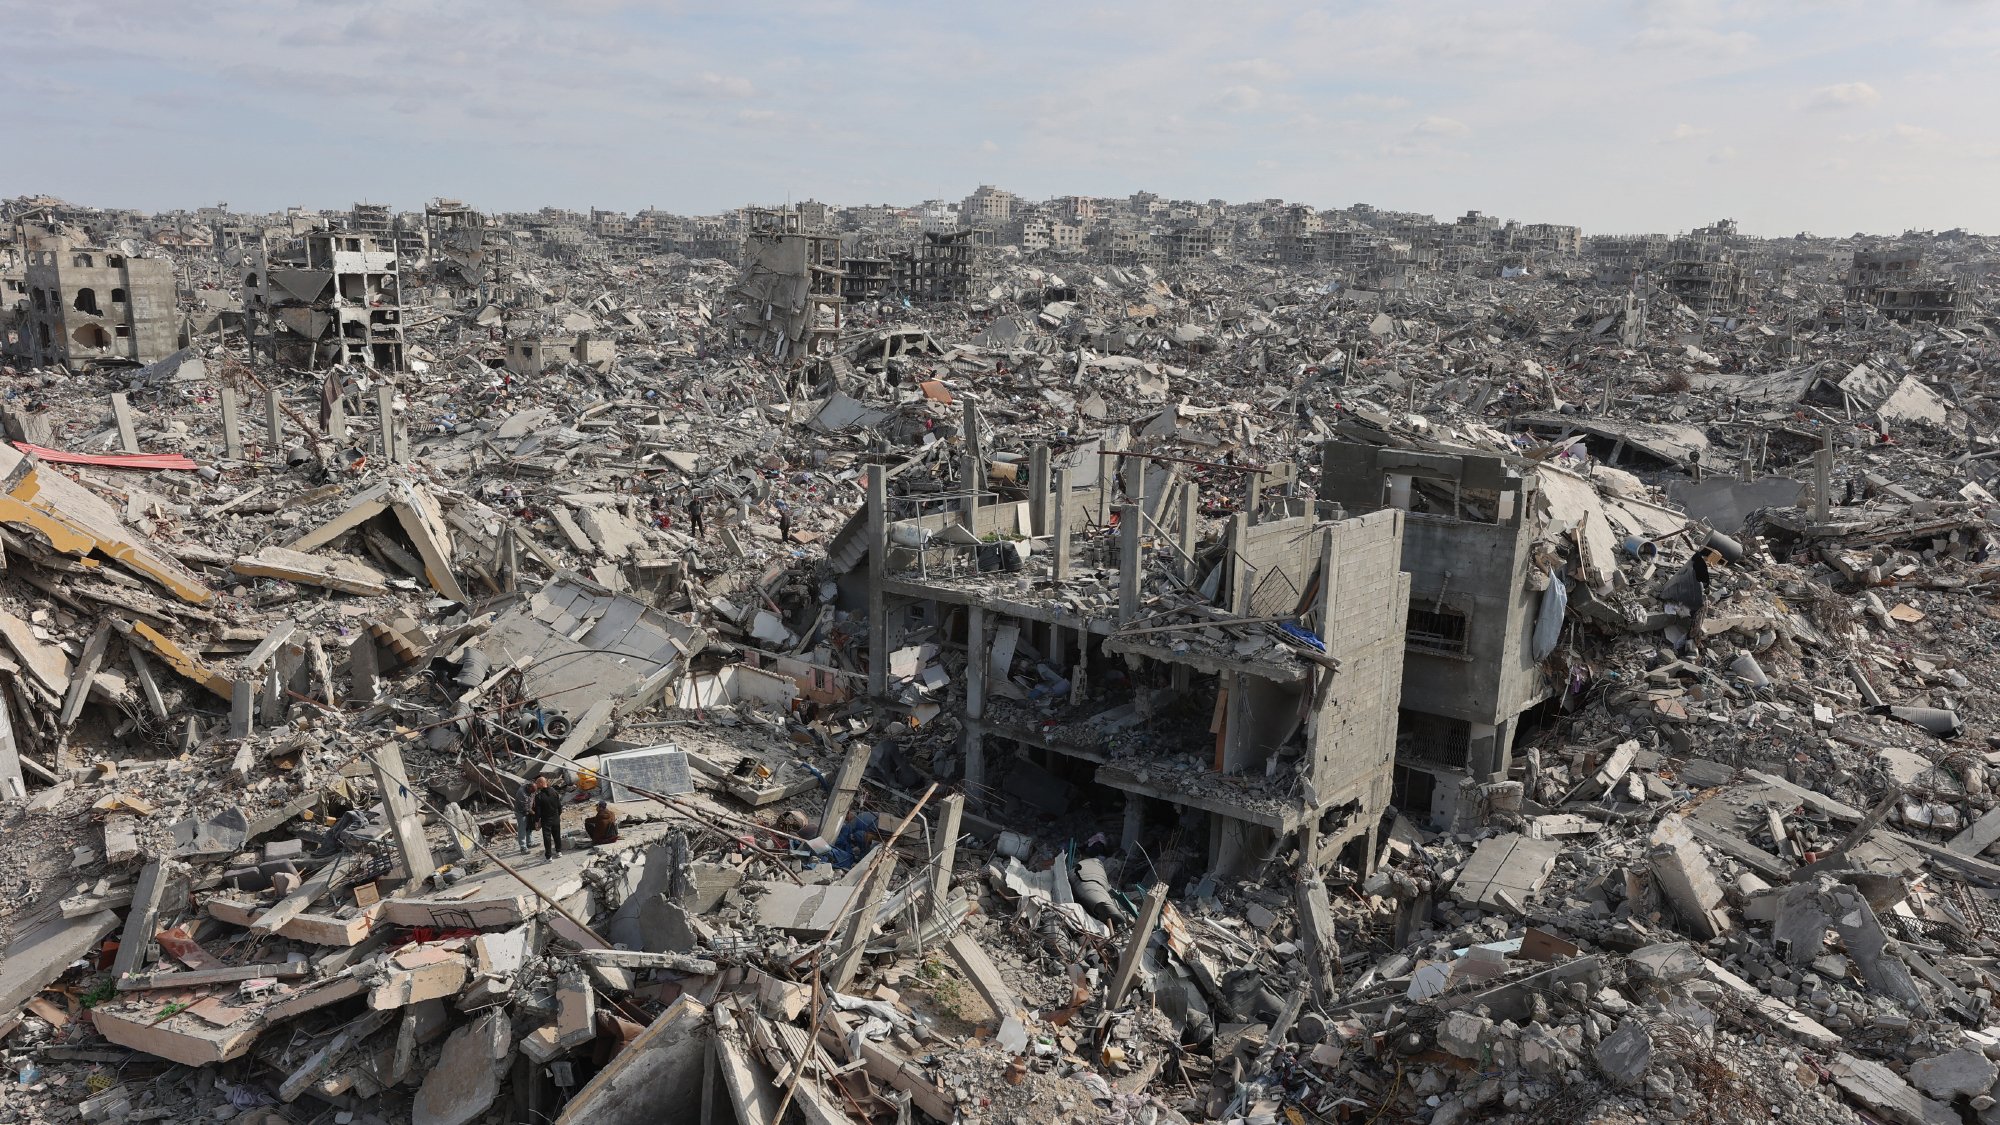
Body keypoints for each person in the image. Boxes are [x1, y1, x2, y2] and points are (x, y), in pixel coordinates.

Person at [531, 777, 564, 860]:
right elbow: (559, 806)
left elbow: (538, 811)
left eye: (537, 783)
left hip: (546, 820)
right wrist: (558, 815)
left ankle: (549, 857)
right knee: (557, 835)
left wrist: (536, 821)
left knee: (547, 838)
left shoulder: (539, 796)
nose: (536, 785)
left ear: (542, 783)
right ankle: (558, 851)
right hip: (556, 818)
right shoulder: (554, 792)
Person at [511, 778, 537, 856]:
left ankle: (529, 843)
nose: (533, 793)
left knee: (529, 826)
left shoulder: (532, 789)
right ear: (529, 788)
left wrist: (535, 807)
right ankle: (523, 847)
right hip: (521, 812)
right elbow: (525, 807)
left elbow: (533, 797)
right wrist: (533, 812)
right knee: (522, 828)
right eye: (532, 791)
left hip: (529, 810)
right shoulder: (521, 793)